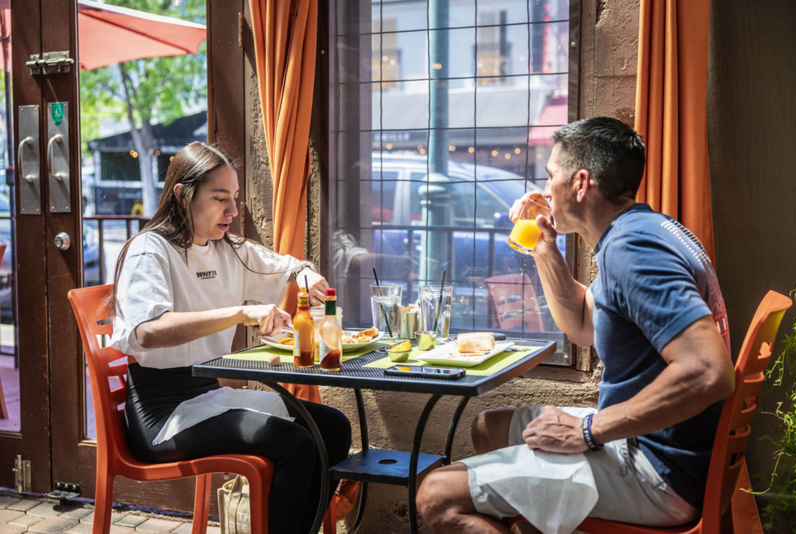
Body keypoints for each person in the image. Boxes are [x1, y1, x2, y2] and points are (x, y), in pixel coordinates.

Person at [416, 117, 735, 533]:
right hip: (661, 449)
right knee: (489, 428)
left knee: (436, 495)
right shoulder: (644, 230)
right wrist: (545, 248)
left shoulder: (633, 250)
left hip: (657, 470)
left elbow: (709, 371)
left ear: (581, 183)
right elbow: (583, 324)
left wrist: (587, 430)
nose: (545, 189)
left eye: (551, 175)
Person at [110, 142, 351, 534]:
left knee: (333, 428)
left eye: (234, 198)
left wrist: (305, 275)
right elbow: (148, 331)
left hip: (208, 396)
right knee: (296, 444)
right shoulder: (150, 250)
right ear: (182, 194)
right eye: (220, 198)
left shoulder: (230, 250)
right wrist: (241, 312)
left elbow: (289, 266)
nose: (233, 211)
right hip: (162, 414)